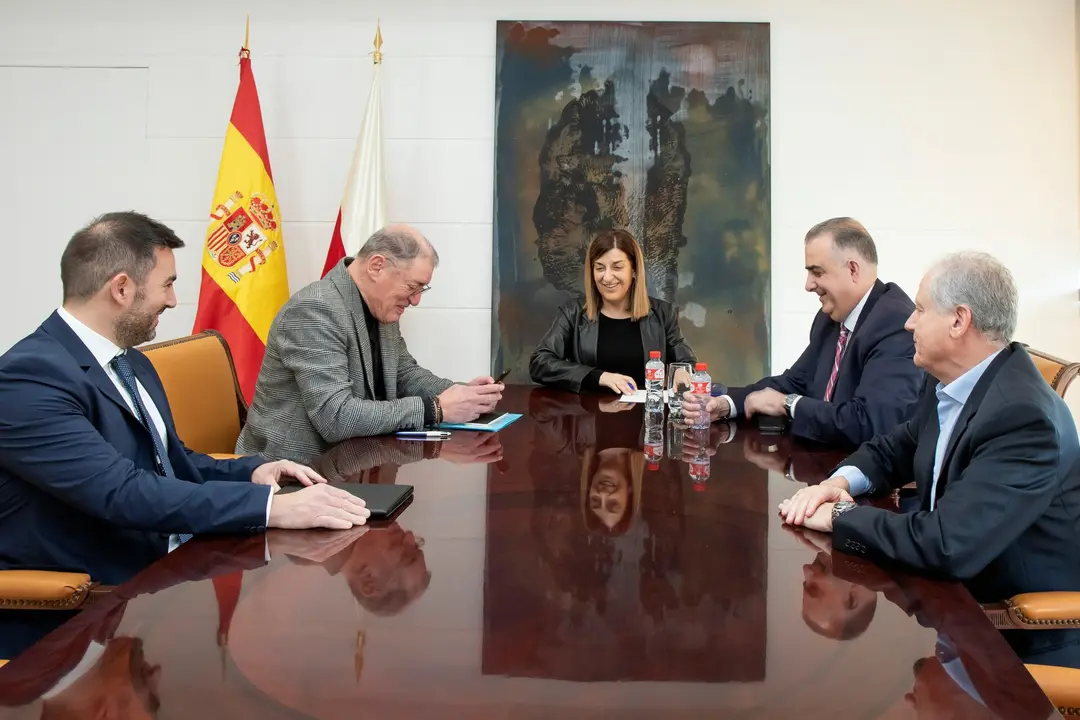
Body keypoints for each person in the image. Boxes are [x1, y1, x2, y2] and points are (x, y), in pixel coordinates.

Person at [0, 212, 370, 587]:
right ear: (122, 289)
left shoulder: (129, 360)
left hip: (172, 560)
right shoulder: (28, 379)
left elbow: (166, 459)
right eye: (167, 285)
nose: (174, 302)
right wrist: (271, 507)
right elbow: (120, 492)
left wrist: (252, 472)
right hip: (96, 602)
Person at [778, 251, 1080, 612]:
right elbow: (893, 450)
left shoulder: (1023, 418)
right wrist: (836, 485)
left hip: (1001, 630)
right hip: (941, 596)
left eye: (920, 310)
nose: (908, 323)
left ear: (958, 321)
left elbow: (947, 545)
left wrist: (840, 517)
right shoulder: (949, 382)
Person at [236, 225, 504, 462]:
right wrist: (436, 408)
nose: (415, 300)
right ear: (377, 266)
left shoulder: (380, 305)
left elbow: (404, 374)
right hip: (294, 471)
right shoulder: (315, 310)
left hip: (355, 462)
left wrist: (464, 396)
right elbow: (336, 417)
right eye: (413, 286)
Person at [683, 217, 922, 447]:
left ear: (852, 270)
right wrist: (725, 405)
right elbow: (796, 381)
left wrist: (788, 404)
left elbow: (870, 423)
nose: (808, 285)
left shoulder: (894, 323)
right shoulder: (830, 318)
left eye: (817, 272)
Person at [529, 229, 695, 396]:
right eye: (600, 268)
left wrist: (682, 372)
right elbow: (540, 363)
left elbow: (686, 361)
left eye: (617, 267)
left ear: (634, 271)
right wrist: (599, 377)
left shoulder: (663, 314)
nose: (607, 277)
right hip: (589, 418)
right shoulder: (573, 313)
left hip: (648, 417)